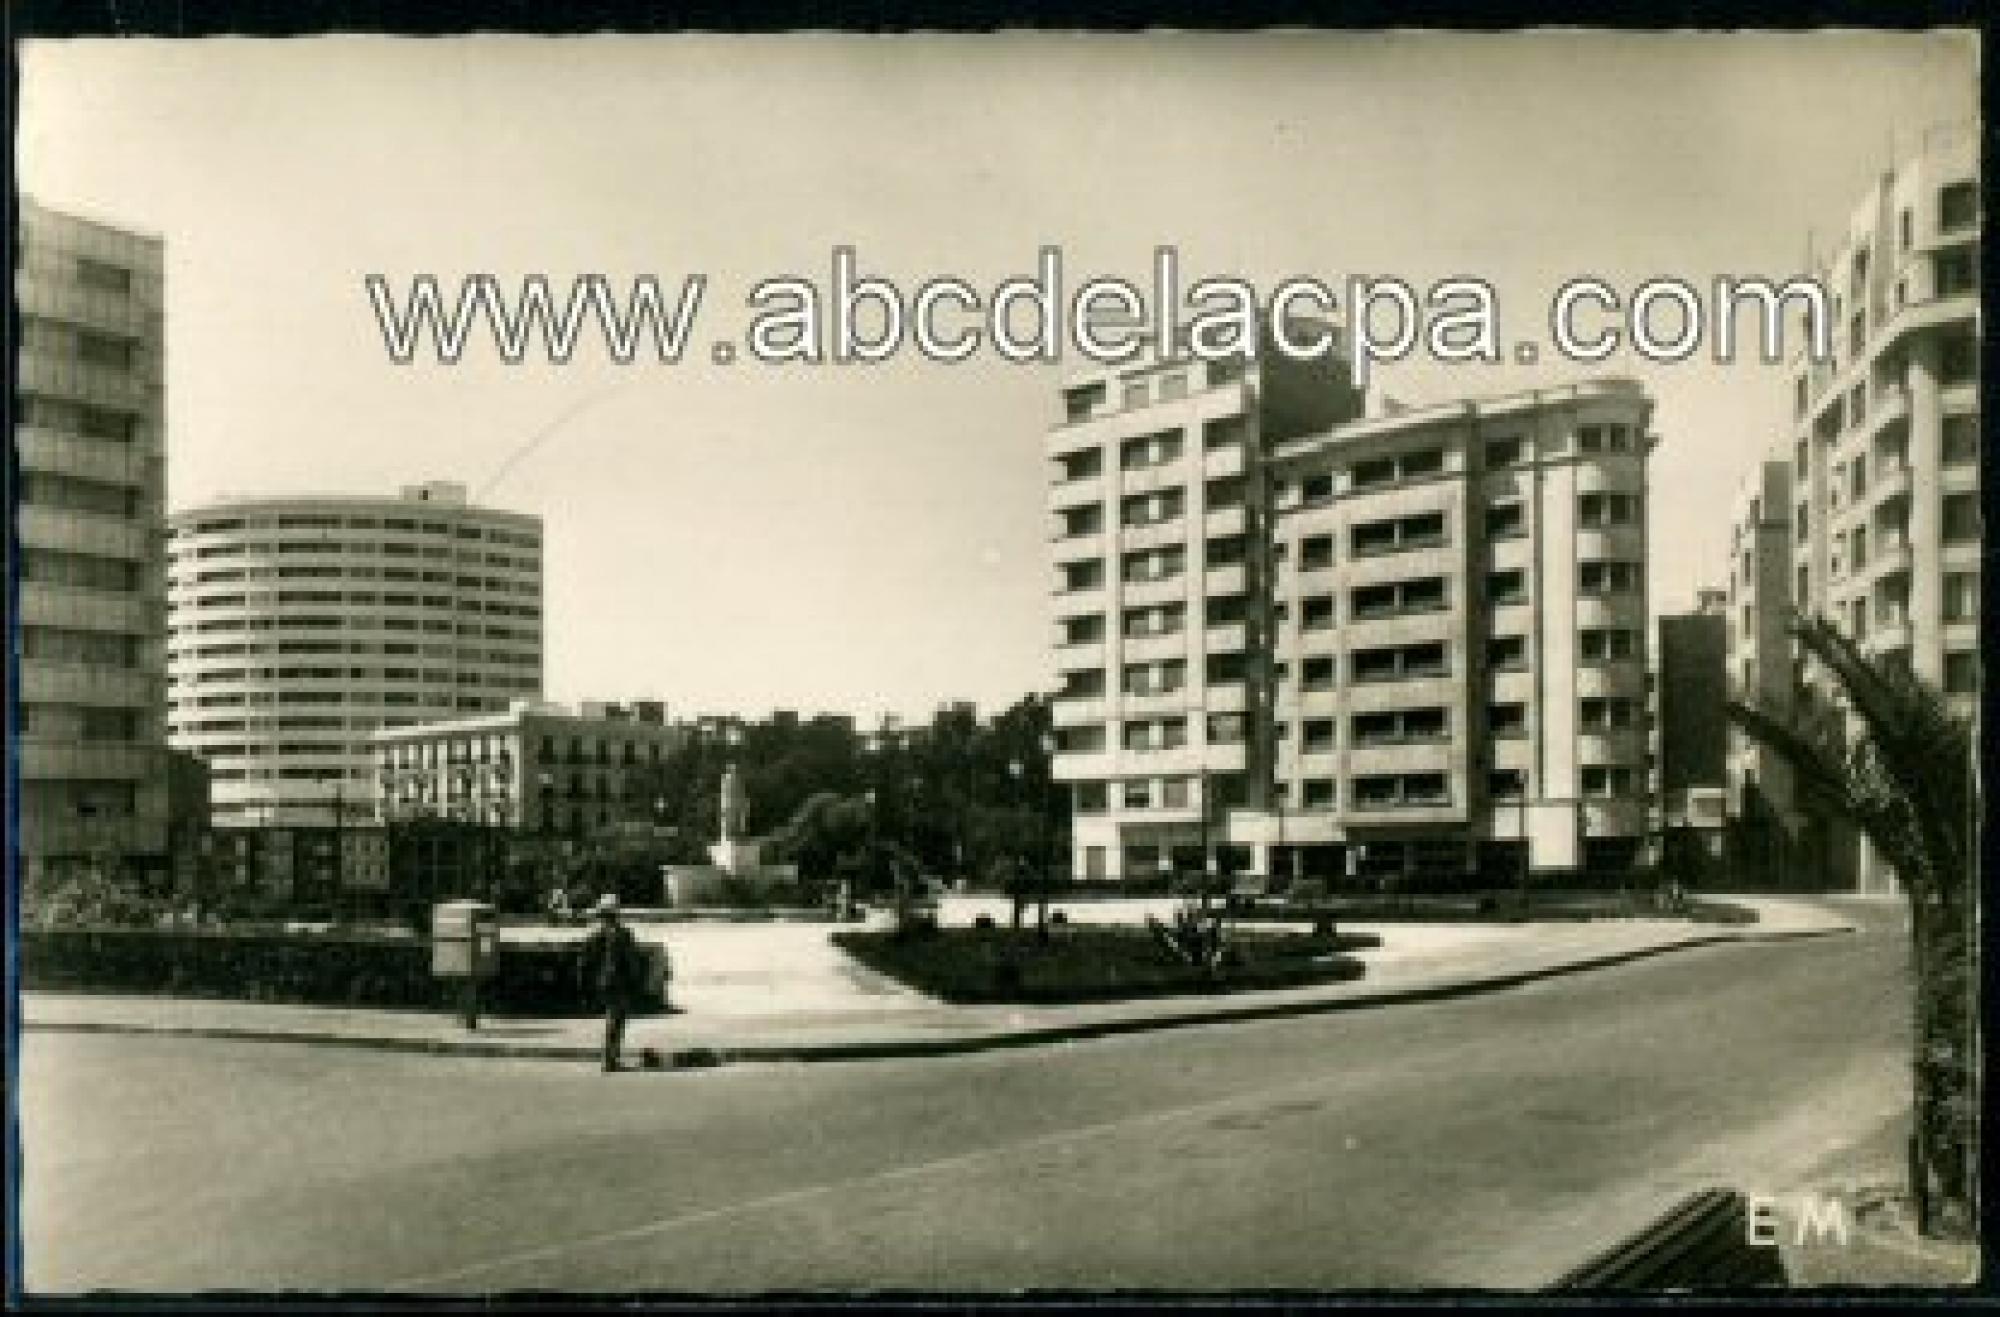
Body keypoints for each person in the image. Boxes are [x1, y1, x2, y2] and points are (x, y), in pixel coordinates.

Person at [578, 893, 646, 1072]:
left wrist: (587, 980)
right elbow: (631, 960)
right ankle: (610, 1058)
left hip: (602, 981)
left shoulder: (595, 934)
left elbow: (584, 960)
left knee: (613, 1018)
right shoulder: (622, 933)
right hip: (618, 981)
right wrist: (637, 978)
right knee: (617, 1019)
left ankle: (610, 1057)